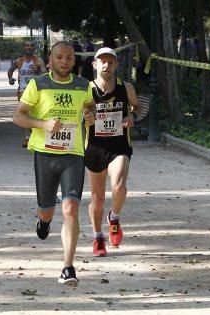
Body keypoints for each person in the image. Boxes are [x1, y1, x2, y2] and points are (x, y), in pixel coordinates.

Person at [12, 41, 95, 285]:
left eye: (69, 58)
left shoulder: (83, 86)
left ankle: (68, 268)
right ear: (50, 60)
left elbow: (90, 107)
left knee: (70, 208)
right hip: (45, 155)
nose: (64, 62)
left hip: (73, 155)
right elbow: (18, 116)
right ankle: (44, 220)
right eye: (59, 57)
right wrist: (43, 124)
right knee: (47, 209)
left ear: (74, 61)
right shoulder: (39, 84)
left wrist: (89, 115)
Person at [84, 47, 141, 257]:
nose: (106, 65)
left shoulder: (126, 88)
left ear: (116, 65)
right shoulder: (86, 90)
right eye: (102, 61)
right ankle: (98, 236)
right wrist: (85, 117)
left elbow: (137, 107)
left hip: (119, 146)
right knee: (97, 199)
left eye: (110, 62)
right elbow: (77, 114)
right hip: (95, 147)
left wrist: (132, 117)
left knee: (119, 187)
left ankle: (114, 217)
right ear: (95, 65)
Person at [7, 40, 46, 148]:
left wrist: (37, 71)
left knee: (36, 114)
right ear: (23, 48)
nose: (29, 47)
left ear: (34, 48)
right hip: (23, 91)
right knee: (24, 114)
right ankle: (27, 138)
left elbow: (45, 74)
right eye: (27, 45)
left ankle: (36, 135)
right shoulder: (19, 61)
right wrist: (10, 79)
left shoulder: (38, 61)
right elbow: (10, 70)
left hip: (36, 91)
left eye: (31, 46)